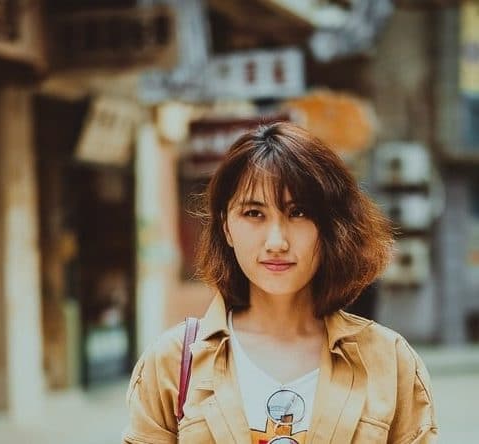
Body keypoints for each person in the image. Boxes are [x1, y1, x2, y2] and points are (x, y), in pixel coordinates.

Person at [122, 122, 438, 443]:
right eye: (253, 214)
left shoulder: (388, 360)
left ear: (329, 226)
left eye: (298, 212)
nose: (276, 241)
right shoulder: (173, 362)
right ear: (227, 228)